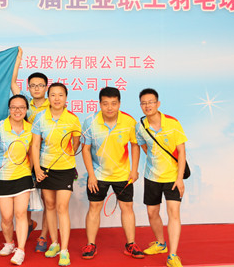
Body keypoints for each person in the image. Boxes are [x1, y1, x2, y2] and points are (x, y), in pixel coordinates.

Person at [81, 87, 144, 260]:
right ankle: (90, 244)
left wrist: (134, 170)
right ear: (100, 104)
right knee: (94, 208)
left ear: (119, 104)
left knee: (127, 207)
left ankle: (131, 244)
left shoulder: (129, 121)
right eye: (105, 103)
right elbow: (85, 149)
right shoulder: (90, 121)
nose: (110, 107)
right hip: (98, 175)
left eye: (114, 103)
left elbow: (135, 145)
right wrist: (91, 175)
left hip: (123, 175)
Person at [136, 88, 188, 267]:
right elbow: (144, 147)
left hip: (173, 178)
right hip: (151, 177)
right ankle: (160, 243)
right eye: (144, 103)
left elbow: (182, 152)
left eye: (151, 102)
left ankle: (172, 255)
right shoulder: (140, 126)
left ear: (158, 104)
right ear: (140, 105)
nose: (147, 106)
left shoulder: (173, 123)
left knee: (173, 213)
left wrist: (179, 178)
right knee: (152, 213)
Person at [31, 83, 81, 266]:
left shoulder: (73, 119)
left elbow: (76, 143)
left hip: (66, 169)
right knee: (50, 206)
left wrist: (67, 156)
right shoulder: (40, 118)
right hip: (45, 169)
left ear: (66, 98)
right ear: (48, 97)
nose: (57, 98)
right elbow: (35, 145)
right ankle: (54, 243)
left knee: (61, 207)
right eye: (53, 95)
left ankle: (65, 250)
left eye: (60, 95)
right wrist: (37, 168)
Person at [0, 94, 34, 266]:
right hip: (2, 177)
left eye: (21, 107)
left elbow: (32, 152)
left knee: (21, 214)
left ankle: (20, 250)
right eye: (14, 107)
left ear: (26, 109)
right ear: (9, 109)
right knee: (7, 217)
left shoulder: (31, 129)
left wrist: (31, 171)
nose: (17, 110)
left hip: (23, 176)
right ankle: (9, 243)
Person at [10, 47, 50, 252]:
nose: (36, 88)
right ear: (29, 87)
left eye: (40, 85)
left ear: (46, 87)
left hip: (47, 158)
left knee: (47, 200)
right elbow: (12, 83)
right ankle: (27, 225)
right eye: (32, 85)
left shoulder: (54, 105)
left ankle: (43, 236)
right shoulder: (24, 103)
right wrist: (18, 59)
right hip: (26, 157)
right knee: (24, 196)